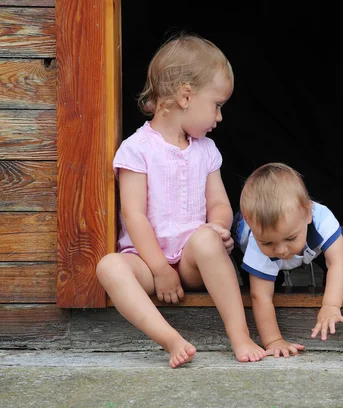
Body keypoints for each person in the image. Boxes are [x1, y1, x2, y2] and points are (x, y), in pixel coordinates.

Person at [95, 33, 266, 368]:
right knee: (108, 266)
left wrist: (218, 229)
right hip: (147, 262)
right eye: (217, 105)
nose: (219, 118)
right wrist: (159, 269)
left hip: (192, 260)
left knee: (204, 238)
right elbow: (134, 215)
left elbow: (218, 203)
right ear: (186, 95)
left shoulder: (205, 150)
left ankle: (240, 335)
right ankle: (170, 338)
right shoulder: (137, 149)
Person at [233, 163, 343, 357]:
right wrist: (273, 341)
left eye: (290, 238)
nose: (281, 250)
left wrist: (330, 305)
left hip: (312, 242)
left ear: (308, 213)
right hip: (247, 243)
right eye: (269, 242)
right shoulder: (256, 241)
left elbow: (338, 262)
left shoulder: (321, 219)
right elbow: (260, 297)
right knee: (259, 281)